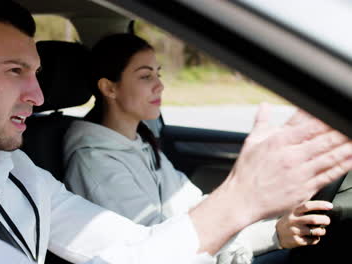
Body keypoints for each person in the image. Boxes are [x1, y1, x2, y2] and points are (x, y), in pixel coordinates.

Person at [0, 0, 350, 263]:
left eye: (36, 73)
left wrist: (255, 219)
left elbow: (126, 247)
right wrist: (241, 201)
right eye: (14, 71)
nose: (38, 95)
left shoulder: (15, 168)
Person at [62, 33, 335, 263]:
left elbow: (194, 207)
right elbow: (159, 250)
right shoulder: (95, 162)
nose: (160, 85)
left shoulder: (140, 144)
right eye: (145, 77)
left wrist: (274, 212)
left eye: (158, 73)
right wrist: (272, 235)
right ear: (109, 88)